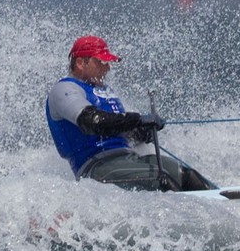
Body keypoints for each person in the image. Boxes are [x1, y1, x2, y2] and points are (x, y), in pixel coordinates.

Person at [45, 35, 213, 191]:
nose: (107, 68)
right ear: (81, 63)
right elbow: (92, 121)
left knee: (189, 177)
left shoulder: (104, 90)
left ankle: (223, 204)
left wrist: (143, 131)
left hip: (128, 159)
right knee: (163, 181)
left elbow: (120, 129)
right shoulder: (64, 89)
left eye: (107, 63)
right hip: (96, 168)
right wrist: (136, 120)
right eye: (101, 62)